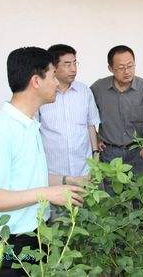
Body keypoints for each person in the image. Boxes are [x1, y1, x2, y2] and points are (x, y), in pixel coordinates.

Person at [0, 47, 85, 276]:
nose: (56, 82)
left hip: (31, 237)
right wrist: (46, 194)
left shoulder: (29, 125)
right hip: (4, 246)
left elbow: (25, 177)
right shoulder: (0, 130)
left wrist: (65, 180)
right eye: (53, 75)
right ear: (36, 81)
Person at [90, 45, 143, 177]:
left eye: (130, 66)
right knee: (112, 194)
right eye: (121, 68)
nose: (127, 71)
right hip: (110, 152)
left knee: (141, 193)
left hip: (138, 151)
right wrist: (96, 138)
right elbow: (88, 116)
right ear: (110, 68)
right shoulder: (98, 88)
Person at [38, 44, 100, 183]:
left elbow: (90, 124)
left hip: (83, 170)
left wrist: (95, 153)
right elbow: (34, 130)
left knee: (84, 204)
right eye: (67, 64)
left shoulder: (84, 91)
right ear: (53, 67)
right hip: (54, 173)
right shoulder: (42, 94)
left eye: (74, 63)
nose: (73, 69)